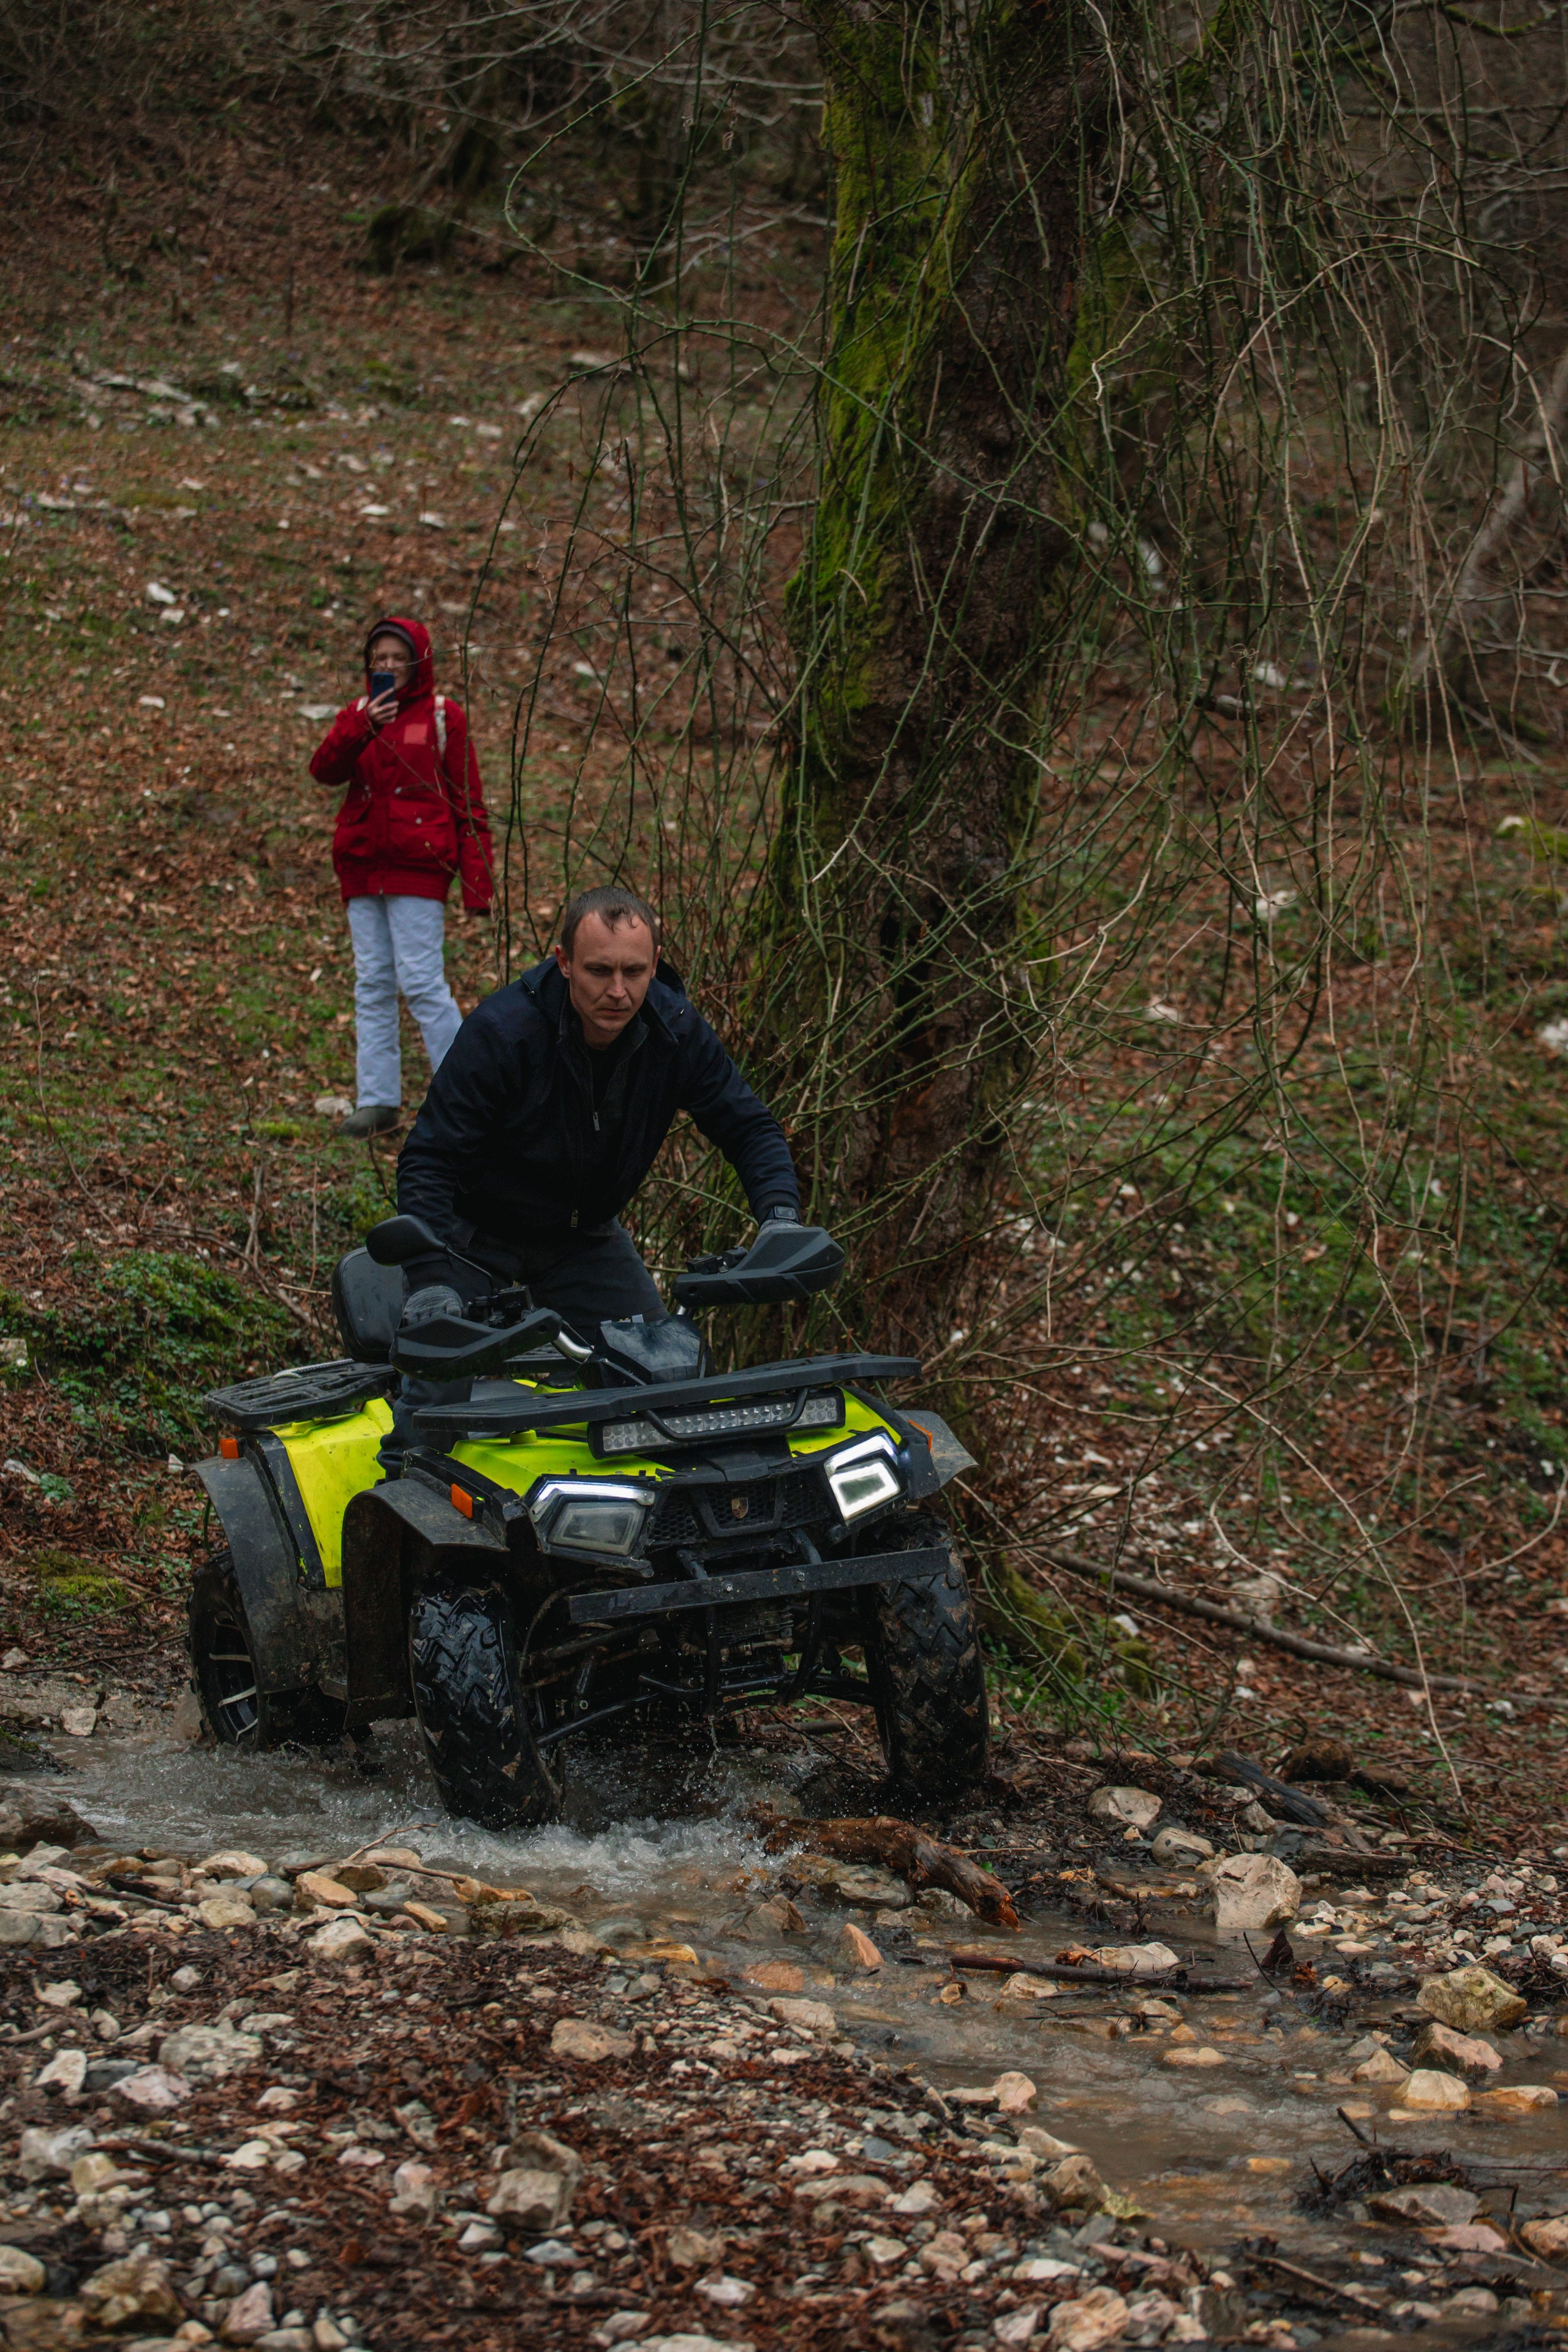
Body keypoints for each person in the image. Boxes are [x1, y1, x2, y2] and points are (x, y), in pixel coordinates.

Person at [382, 883, 801, 1461]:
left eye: (634, 971)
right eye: (599, 971)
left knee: (665, 1381)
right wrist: (430, 1277)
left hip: (583, 1239)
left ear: (656, 963)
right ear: (564, 963)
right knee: (436, 1393)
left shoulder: (676, 1033)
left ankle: (650, 1531)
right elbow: (428, 1157)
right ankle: (402, 1503)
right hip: (473, 1236)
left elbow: (749, 1127)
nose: (618, 991)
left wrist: (781, 1221)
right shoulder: (504, 1032)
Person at [309, 616, 495, 1140]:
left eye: (397, 657)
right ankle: (377, 1103)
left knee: (420, 982)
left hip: (420, 866)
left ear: (419, 661)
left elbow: (468, 799)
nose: (387, 667)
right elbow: (323, 770)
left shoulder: (443, 716)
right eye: (378, 659)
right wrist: (362, 723)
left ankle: (465, 1098)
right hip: (363, 863)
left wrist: (478, 883)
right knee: (371, 983)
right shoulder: (358, 715)